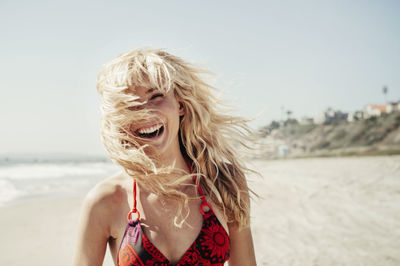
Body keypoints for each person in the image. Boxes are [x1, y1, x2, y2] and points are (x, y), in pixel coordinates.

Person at [73, 48, 257, 266]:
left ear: (179, 104)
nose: (146, 112)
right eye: (131, 105)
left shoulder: (223, 181)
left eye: (156, 96)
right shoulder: (106, 201)